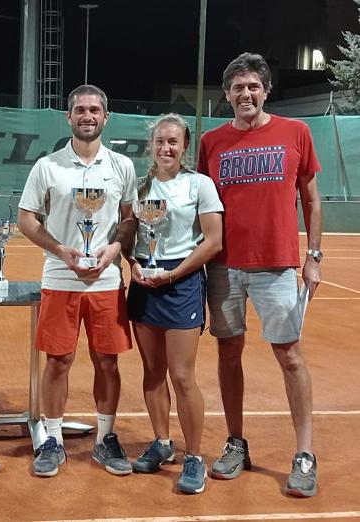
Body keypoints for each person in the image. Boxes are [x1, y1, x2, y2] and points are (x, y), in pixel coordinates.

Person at [197, 52, 323, 498]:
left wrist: (313, 255)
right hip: (224, 266)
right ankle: (236, 442)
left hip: (277, 264)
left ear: (265, 90)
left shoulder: (296, 132)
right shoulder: (211, 142)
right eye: (237, 88)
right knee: (228, 353)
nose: (245, 94)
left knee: (290, 356)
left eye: (253, 86)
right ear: (227, 94)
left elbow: (311, 198)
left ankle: (304, 454)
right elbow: (200, 203)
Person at [17, 84, 137, 478]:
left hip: (105, 281)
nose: (88, 116)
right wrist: (61, 251)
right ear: (69, 117)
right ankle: (52, 439)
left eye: (95, 110)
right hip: (61, 277)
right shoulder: (48, 166)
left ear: (106, 117)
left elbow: (129, 220)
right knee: (59, 361)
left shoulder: (121, 166)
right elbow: (26, 220)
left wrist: (114, 249)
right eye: (81, 110)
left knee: (108, 360)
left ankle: (105, 438)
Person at [126, 113, 223, 494]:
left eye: (173, 142)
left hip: (180, 283)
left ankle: (194, 456)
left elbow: (213, 241)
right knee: (152, 371)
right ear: (152, 145)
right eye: (160, 141)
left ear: (184, 146)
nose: (166, 148)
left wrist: (173, 274)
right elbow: (127, 234)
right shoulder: (139, 187)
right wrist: (133, 263)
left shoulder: (200, 185)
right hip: (145, 281)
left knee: (182, 376)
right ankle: (163, 443)